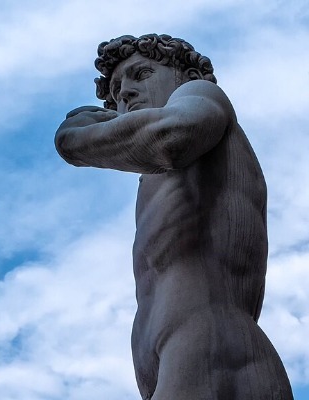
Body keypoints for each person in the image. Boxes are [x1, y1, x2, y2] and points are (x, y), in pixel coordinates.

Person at [55, 34, 293, 400]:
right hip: (170, 363)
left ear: (182, 76)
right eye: (117, 90)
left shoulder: (200, 96)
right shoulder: (154, 179)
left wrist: (73, 138)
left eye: (142, 74)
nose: (126, 93)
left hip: (209, 348)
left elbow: (171, 136)